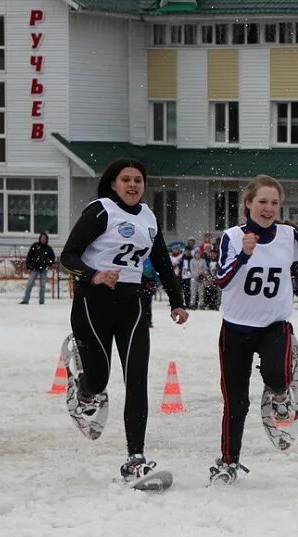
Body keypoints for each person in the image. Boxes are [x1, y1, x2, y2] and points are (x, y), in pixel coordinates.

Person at [59, 158, 188, 483]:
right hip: (92, 304)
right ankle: (84, 389)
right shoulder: (101, 210)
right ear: (113, 183)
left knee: (137, 380)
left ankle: (135, 458)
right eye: (126, 179)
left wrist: (177, 301)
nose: (133, 185)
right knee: (100, 380)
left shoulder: (148, 217)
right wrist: (94, 275)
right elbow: (67, 256)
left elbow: (161, 261)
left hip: (131, 306)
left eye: (138, 180)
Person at [211, 175, 298, 484]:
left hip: (274, 323)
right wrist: (245, 255)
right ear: (247, 204)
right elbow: (222, 280)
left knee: (276, 375)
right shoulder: (232, 237)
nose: (268, 208)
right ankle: (229, 462)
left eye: (274, 203)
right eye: (262, 202)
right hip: (236, 328)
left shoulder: (288, 235)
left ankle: (282, 389)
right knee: (236, 402)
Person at [20, 232, 55, 304]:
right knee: (29, 284)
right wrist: (28, 265)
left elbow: (52, 259)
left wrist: (49, 263)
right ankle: (25, 300)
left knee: (42, 286)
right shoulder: (35, 246)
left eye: (44, 238)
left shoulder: (48, 249)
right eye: (42, 238)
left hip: (44, 269)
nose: (43, 239)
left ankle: (41, 301)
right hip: (34, 268)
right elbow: (29, 256)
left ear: (46, 239)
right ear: (40, 238)